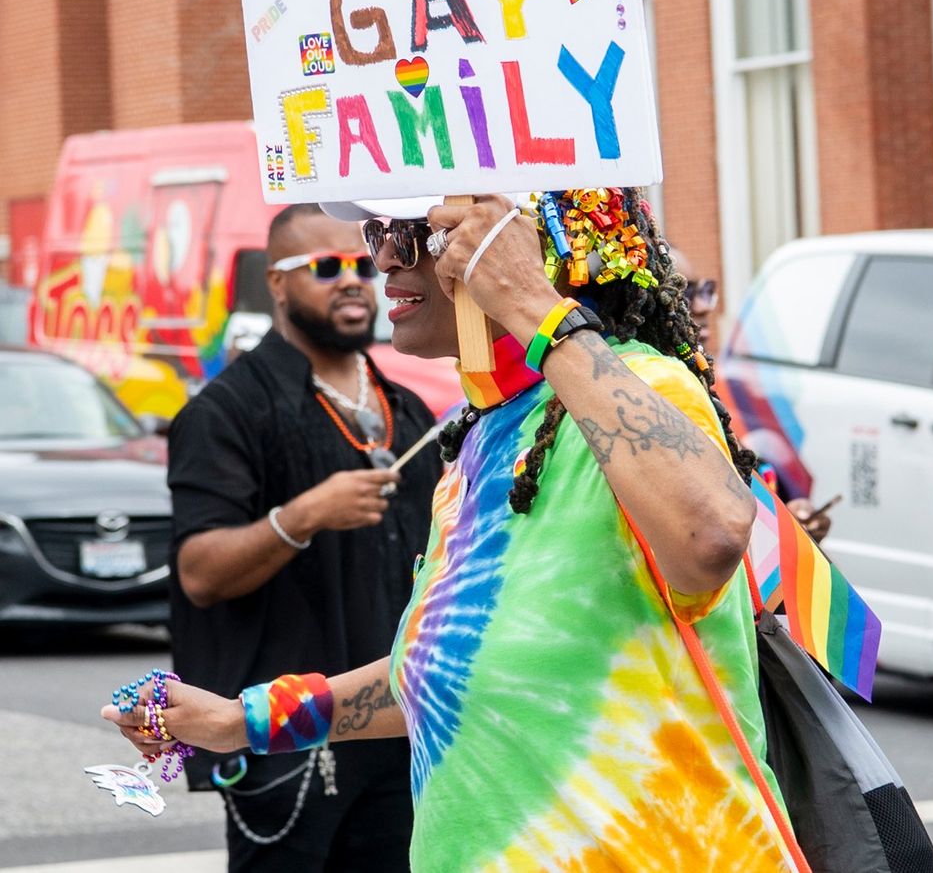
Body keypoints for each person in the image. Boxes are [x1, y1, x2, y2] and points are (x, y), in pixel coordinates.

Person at [105, 189, 805, 872]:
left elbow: (711, 535)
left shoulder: (642, 385)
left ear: (521, 241)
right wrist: (240, 720)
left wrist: (533, 304)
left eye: (410, 233)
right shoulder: (480, 437)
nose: (383, 261)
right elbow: (440, 673)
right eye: (375, 236)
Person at [164, 203, 442, 871]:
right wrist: (302, 517)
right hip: (287, 743)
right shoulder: (227, 412)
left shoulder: (407, 410)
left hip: (397, 728)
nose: (352, 281)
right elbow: (199, 573)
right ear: (277, 283)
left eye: (359, 265)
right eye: (324, 267)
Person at [670, 246, 831, 543]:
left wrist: (787, 517)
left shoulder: (703, 387)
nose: (705, 307)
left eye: (706, 289)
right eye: (686, 292)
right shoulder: (664, 395)